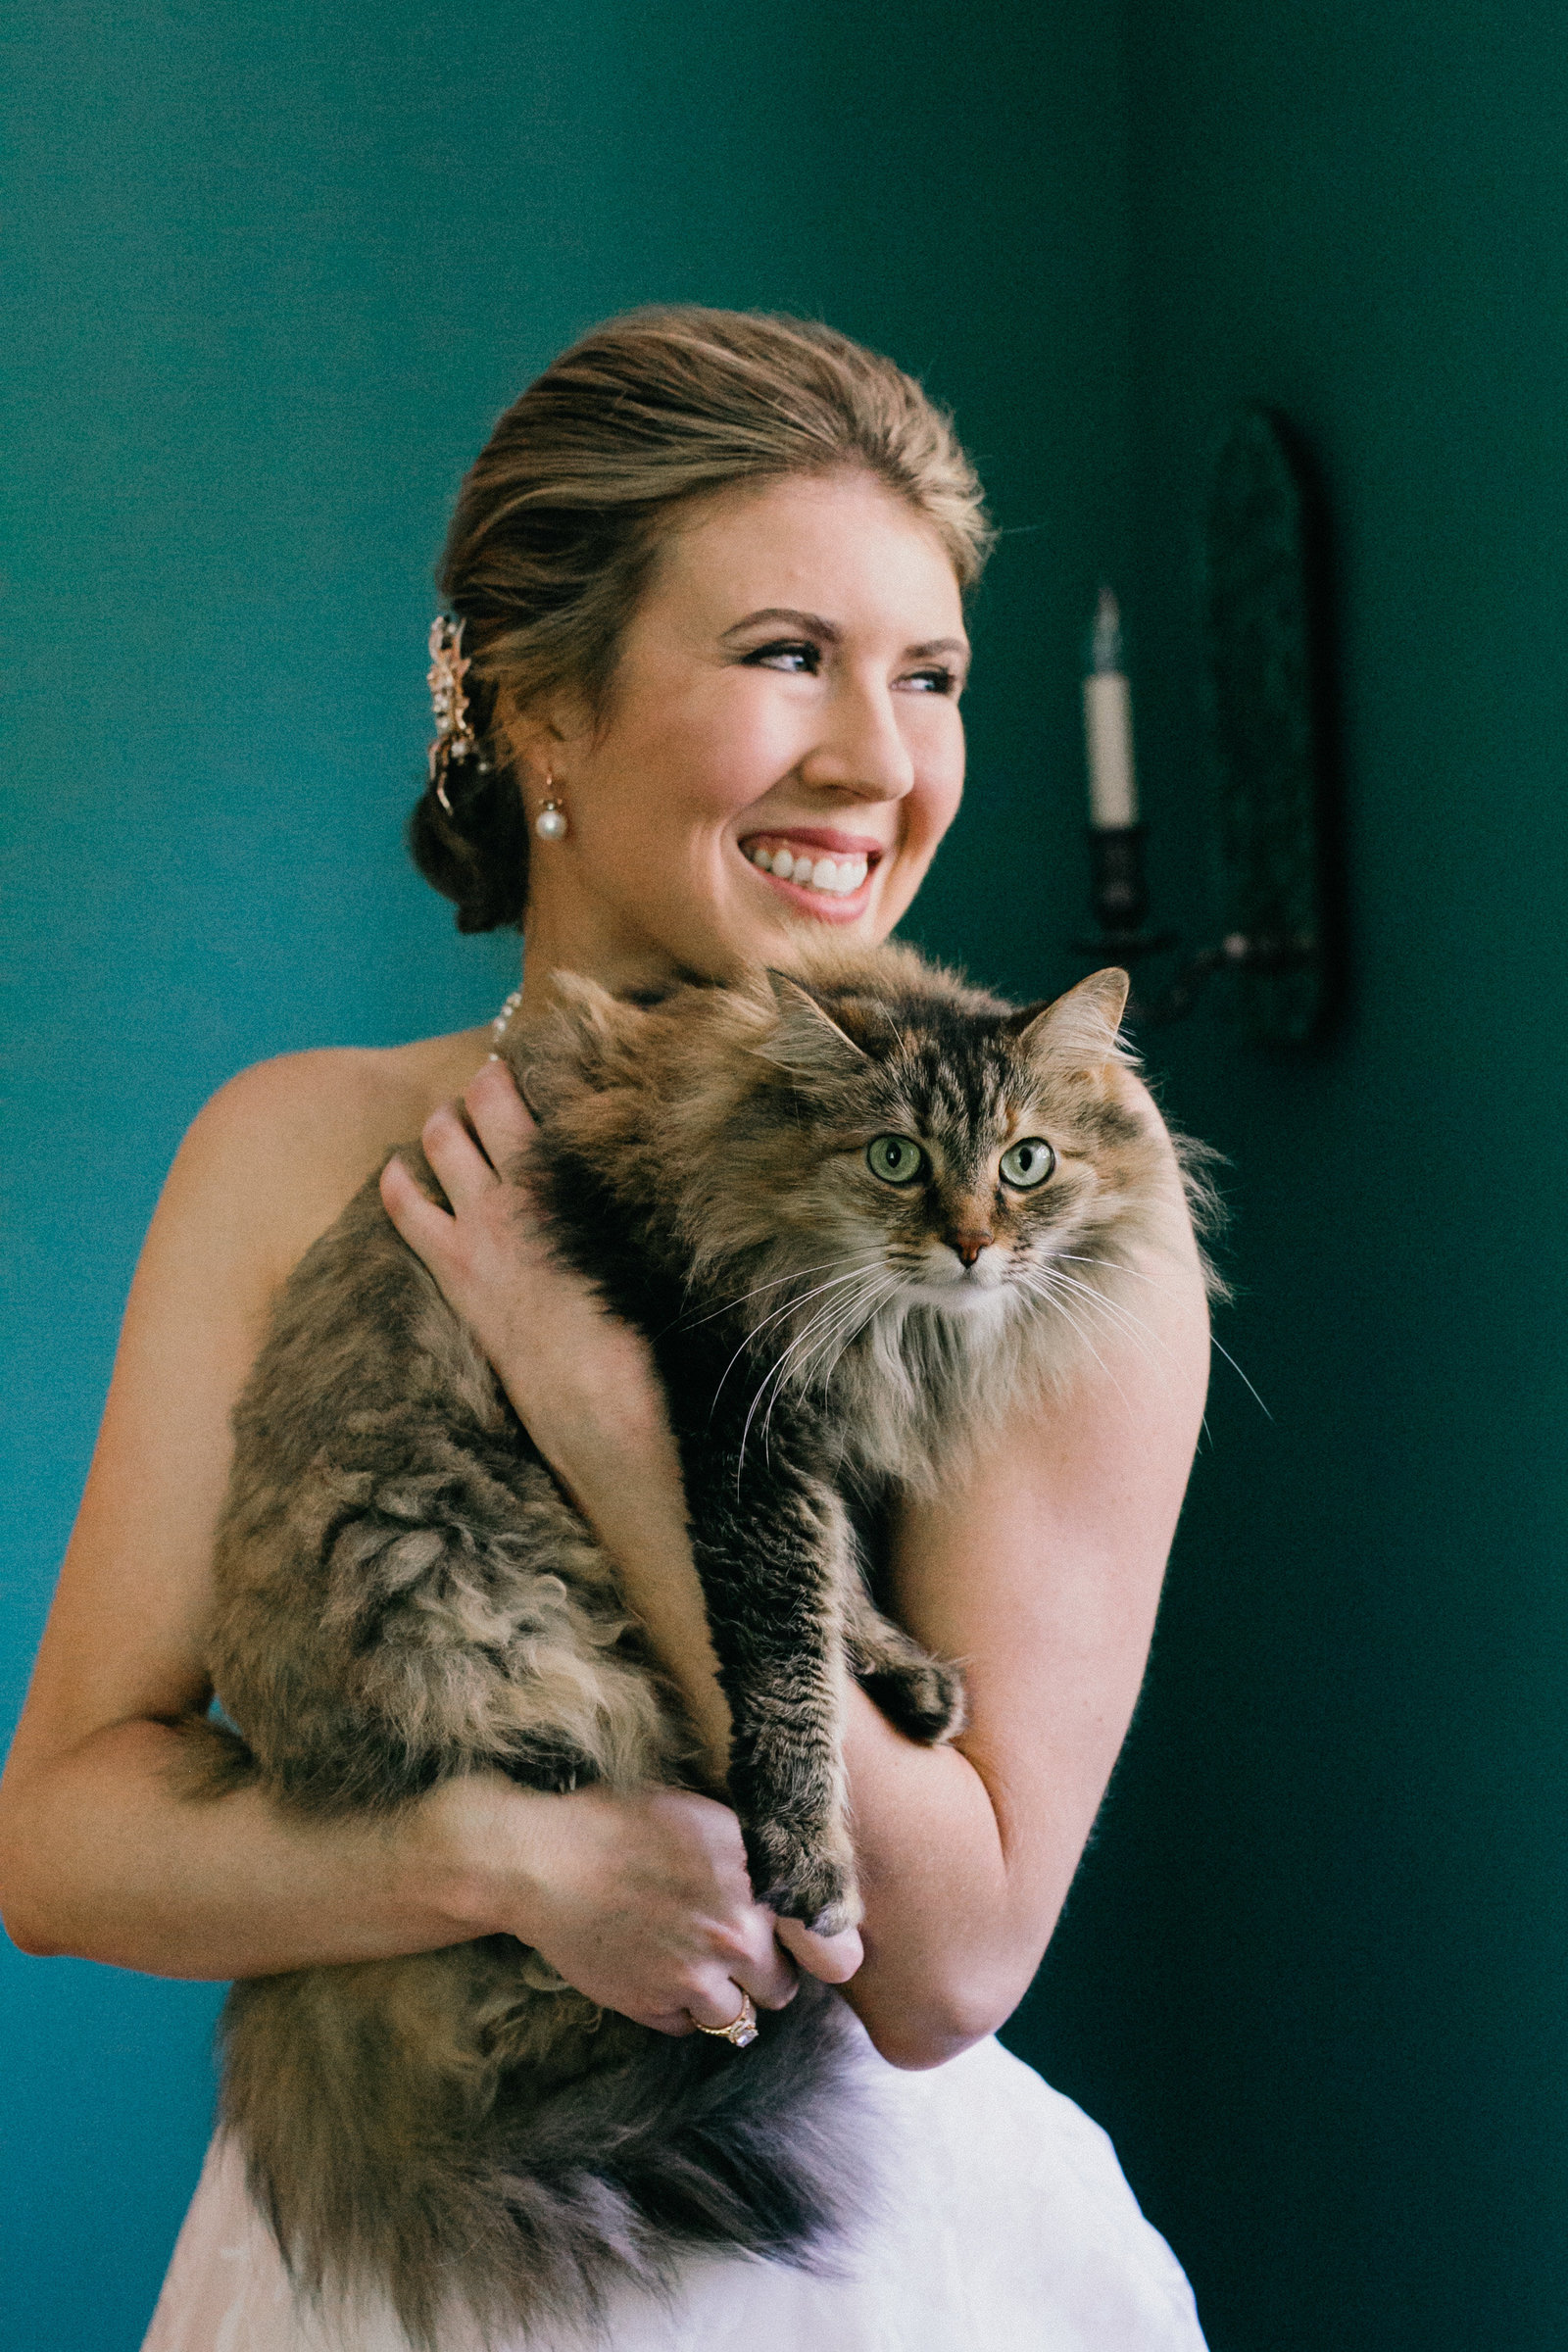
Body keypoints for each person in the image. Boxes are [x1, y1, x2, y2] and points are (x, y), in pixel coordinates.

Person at [0, 307, 1212, 2350]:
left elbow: (946, 1958)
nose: (878, 759)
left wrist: (598, 1398)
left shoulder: (1046, 1177)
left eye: (927, 677)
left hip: (817, 2260)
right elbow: (60, 1839)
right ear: (539, 712)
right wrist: (503, 1858)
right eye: (780, 656)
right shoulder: (290, 1151)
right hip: (378, 2263)